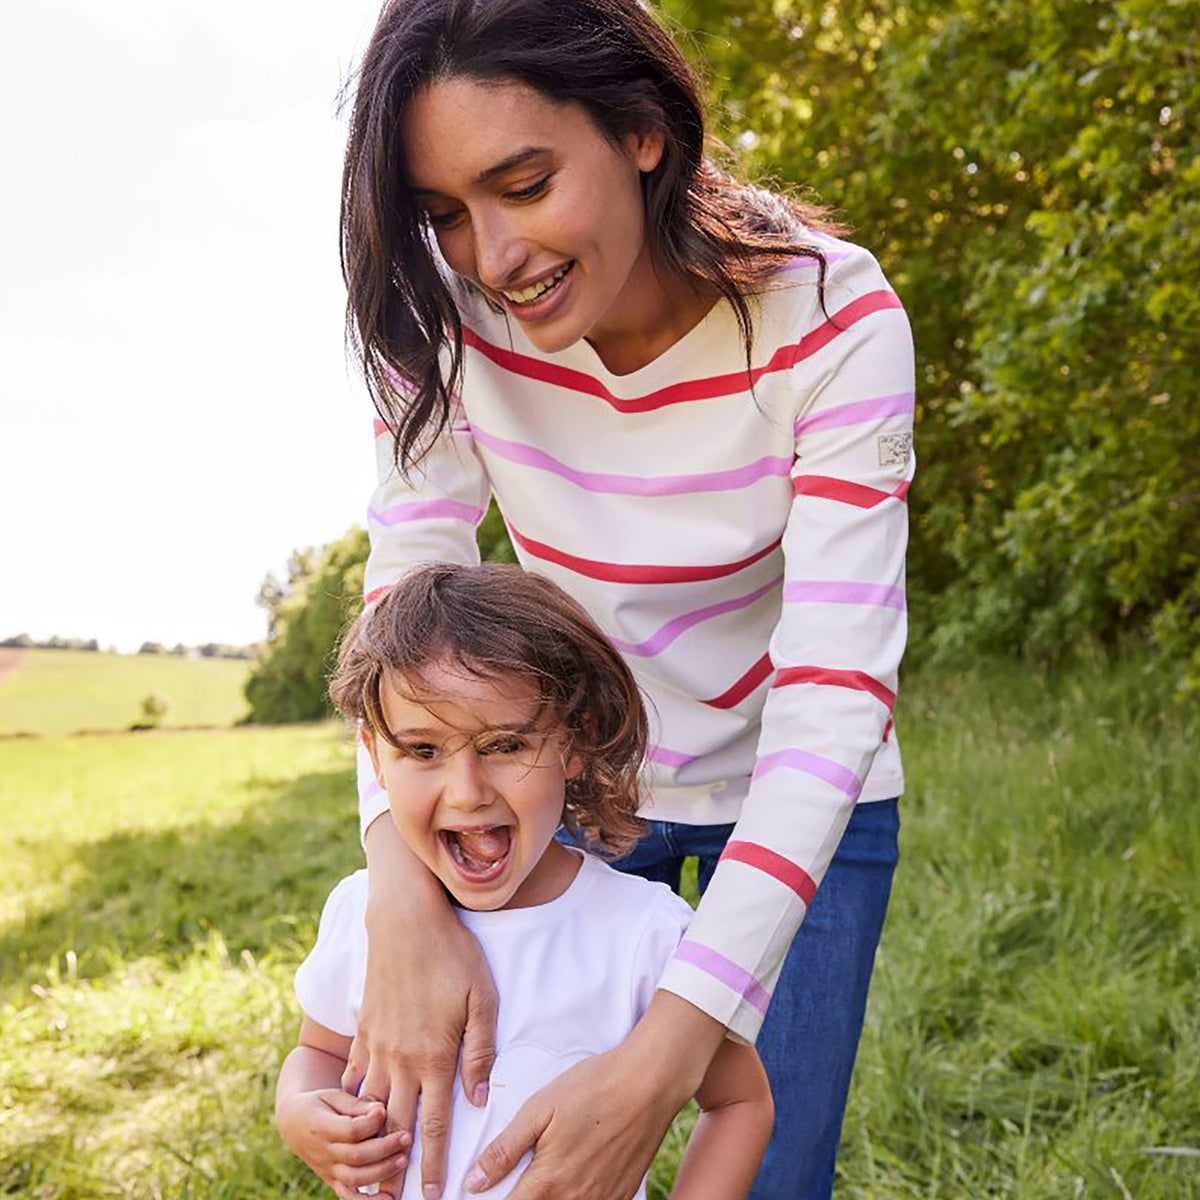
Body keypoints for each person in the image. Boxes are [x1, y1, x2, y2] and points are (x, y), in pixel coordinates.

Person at [328, 1, 915, 1198]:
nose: (493, 258)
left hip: (799, 796)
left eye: (525, 183)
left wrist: (667, 1051)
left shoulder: (835, 318)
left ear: (642, 130)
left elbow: (832, 694)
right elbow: (405, 593)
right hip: (574, 785)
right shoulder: (439, 323)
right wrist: (398, 883)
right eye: (444, 213)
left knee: (770, 1167)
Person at [275, 564, 773, 1200]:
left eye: (505, 745)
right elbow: (317, 1052)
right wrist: (300, 1112)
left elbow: (739, 1104)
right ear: (374, 755)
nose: (467, 793)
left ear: (574, 739)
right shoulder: (363, 913)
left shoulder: (645, 932)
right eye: (423, 751)